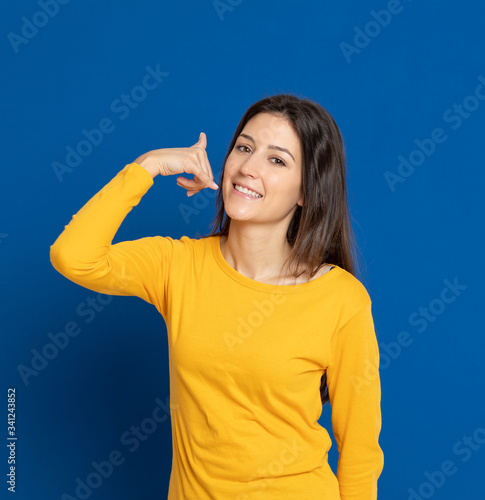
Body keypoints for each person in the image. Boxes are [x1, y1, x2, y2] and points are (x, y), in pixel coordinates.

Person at [50, 93, 384, 499]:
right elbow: (73, 257)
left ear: (306, 192)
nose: (248, 167)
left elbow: (360, 452)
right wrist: (148, 166)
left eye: (276, 160)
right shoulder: (179, 265)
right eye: (244, 148)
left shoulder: (341, 300)